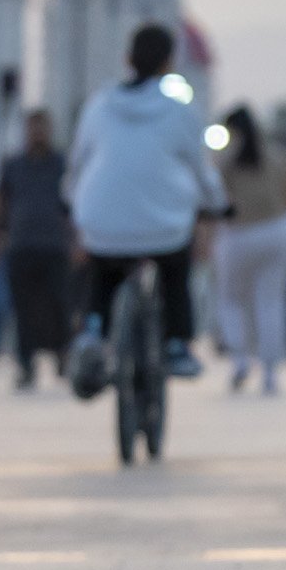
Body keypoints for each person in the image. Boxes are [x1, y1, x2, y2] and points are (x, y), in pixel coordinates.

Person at [66, 24, 226, 382]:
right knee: (174, 268)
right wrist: (218, 205)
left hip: (101, 221)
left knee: (103, 269)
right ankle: (176, 344)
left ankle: (92, 330)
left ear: (127, 59)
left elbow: (78, 164)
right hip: (163, 227)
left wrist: (70, 202)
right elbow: (202, 172)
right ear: (169, 63)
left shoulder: (99, 105)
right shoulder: (180, 111)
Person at [213, 106, 286, 394]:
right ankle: (269, 371)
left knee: (232, 300)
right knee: (272, 301)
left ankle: (240, 359)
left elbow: (214, 198)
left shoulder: (226, 159)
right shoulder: (277, 155)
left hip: (239, 234)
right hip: (277, 232)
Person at [0, 110, 74, 390]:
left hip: (55, 245)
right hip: (21, 245)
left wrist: (77, 239)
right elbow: (1, 202)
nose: (37, 133)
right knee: (23, 308)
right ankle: (26, 363)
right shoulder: (13, 165)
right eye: (33, 128)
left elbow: (71, 203)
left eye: (42, 127)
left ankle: (63, 355)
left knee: (60, 304)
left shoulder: (61, 163)